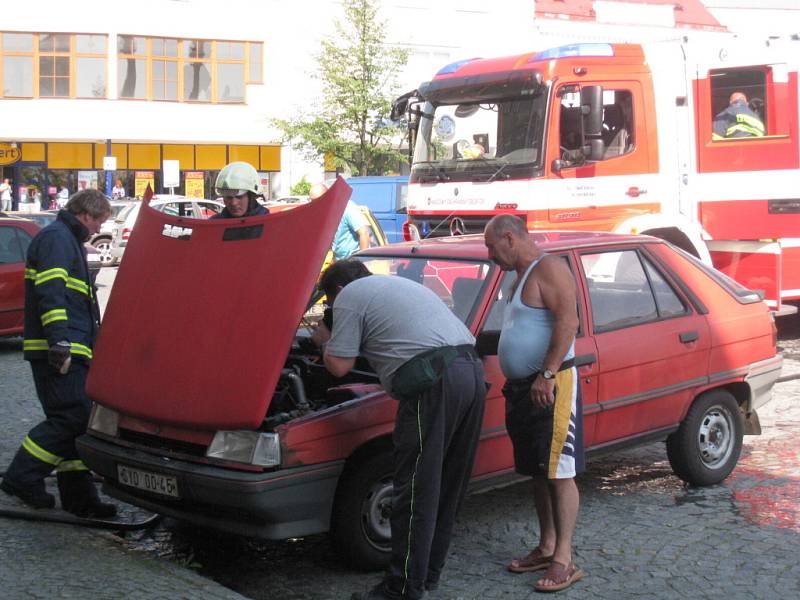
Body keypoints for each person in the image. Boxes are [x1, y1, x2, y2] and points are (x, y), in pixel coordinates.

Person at [316, 260, 486, 600]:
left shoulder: (349, 296)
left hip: (432, 380)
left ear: (336, 291)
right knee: (448, 483)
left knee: (415, 488)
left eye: (329, 303)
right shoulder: (398, 286)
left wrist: (324, 339)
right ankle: (426, 575)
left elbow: (339, 365)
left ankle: (402, 588)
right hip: (471, 371)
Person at [483, 214, 584, 593]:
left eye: (492, 246)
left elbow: (567, 322)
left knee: (559, 470)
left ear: (510, 238)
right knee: (539, 469)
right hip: (523, 387)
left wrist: (548, 373)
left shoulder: (550, 268)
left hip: (550, 385)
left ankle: (564, 559)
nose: (491, 255)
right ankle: (546, 546)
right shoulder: (518, 277)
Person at [1, 189, 116, 518]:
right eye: (99, 223)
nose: (98, 231)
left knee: (76, 423)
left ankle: (79, 498)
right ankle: (21, 477)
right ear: (86, 215)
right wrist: (59, 343)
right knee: (71, 417)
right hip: (59, 350)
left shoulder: (65, 239)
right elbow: (51, 294)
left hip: (69, 347)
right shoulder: (58, 239)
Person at [331, 185, 370, 260]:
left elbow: (364, 233)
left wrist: (362, 261)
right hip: (339, 259)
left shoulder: (348, 208)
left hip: (351, 260)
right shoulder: (331, 210)